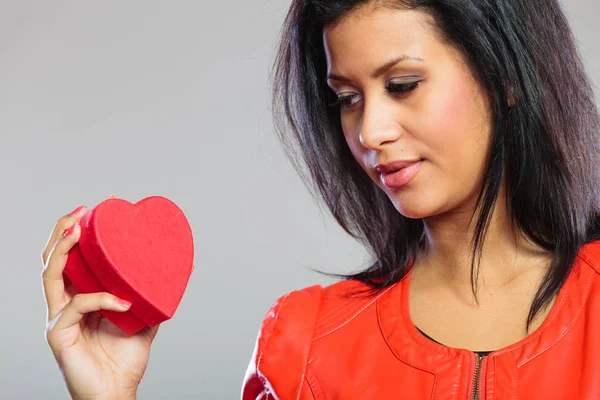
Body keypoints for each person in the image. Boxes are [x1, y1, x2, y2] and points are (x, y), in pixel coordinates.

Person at [41, 0, 600, 399]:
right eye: (348, 98)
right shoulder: (304, 342)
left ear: (504, 72)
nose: (370, 130)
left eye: (403, 84)